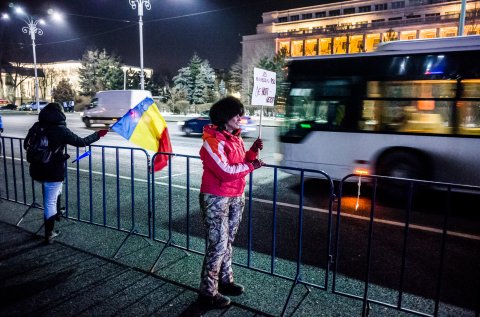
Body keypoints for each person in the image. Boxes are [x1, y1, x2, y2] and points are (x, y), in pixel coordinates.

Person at [197, 96, 264, 308]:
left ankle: (225, 281)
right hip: (216, 197)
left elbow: (240, 160)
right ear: (225, 117)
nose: (240, 118)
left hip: (236, 195)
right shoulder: (212, 141)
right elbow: (225, 171)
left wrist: (252, 151)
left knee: (227, 242)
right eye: (237, 114)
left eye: (241, 114)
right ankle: (208, 292)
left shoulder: (235, 138)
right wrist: (252, 166)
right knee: (217, 244)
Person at [24, 102, 108, 244]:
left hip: (37, 169)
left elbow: (27, 143)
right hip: (53, 171)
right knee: (49, 201)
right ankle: (49, 233)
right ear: (59, 114)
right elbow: (81, 142)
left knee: (52, 190)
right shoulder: (60, 129)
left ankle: (57, 212)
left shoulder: (37, 126)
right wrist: (98, 134)